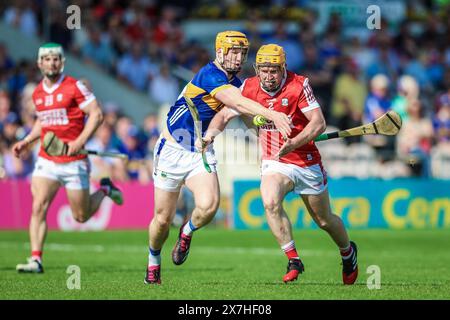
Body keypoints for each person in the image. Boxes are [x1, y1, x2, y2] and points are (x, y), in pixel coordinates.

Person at [203, 44, 358, 285]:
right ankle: (293, 259)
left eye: (273, 70)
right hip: (275, 161)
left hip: (305, 159)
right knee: (270, 200)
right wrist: (211, 133)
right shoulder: (249, 86)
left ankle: (348, 253)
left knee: (324, 220)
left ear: (283, 68)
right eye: (263, 70)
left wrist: (295, 142)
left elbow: (318, 124)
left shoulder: (298, 85)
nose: (268, 76)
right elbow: (224, 115)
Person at [144, 31, 292, 285]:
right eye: (233, 51)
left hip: (200, 149)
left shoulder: (237, 84)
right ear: (220, 52)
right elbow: (237, 102)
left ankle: (187, 232)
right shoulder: (210, 75)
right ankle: (153, 261)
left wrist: (265, 140)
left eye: (242, 53)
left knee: (209, 205)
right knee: (162, 219)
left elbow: (244, 115)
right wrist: (273, 115)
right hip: (171, 149)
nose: (237, 58)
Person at [12, 43, 123, 273]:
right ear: (39, 63)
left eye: (56, 59)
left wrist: (79, 141)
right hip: (47, 160)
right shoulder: (37, 92)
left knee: (81, 216)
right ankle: (36, 260)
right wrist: (26, 140)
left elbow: (96, 114)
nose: (51, 63)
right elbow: (42, 122)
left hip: (74, 162)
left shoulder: (75, 87)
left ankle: (104, 189)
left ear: (61, 62)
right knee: (38, 206)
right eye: (47, 59)